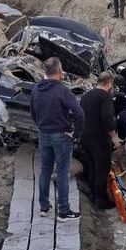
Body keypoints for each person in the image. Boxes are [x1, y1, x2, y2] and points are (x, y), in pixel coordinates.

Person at [30, 57, 85, 221]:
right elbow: (79, 113)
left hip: (43, 134)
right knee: (62, 172)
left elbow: (32, 112)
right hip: (61, 136)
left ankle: (44, 206)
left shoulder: (36, 90)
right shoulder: (62, 91)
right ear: (59, 71)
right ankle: (63, 211)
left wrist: (41, 125)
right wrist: (76, 133)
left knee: (45, 170)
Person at [80, 72, 121, 210]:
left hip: (86, 137)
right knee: (102, 169)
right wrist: (114, 138)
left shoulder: (86, 96)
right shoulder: (105, 97)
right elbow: (107, 118)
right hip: (100, 139)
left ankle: (93, 195)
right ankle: (101, 200)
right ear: (109, 82)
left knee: (91, 167)